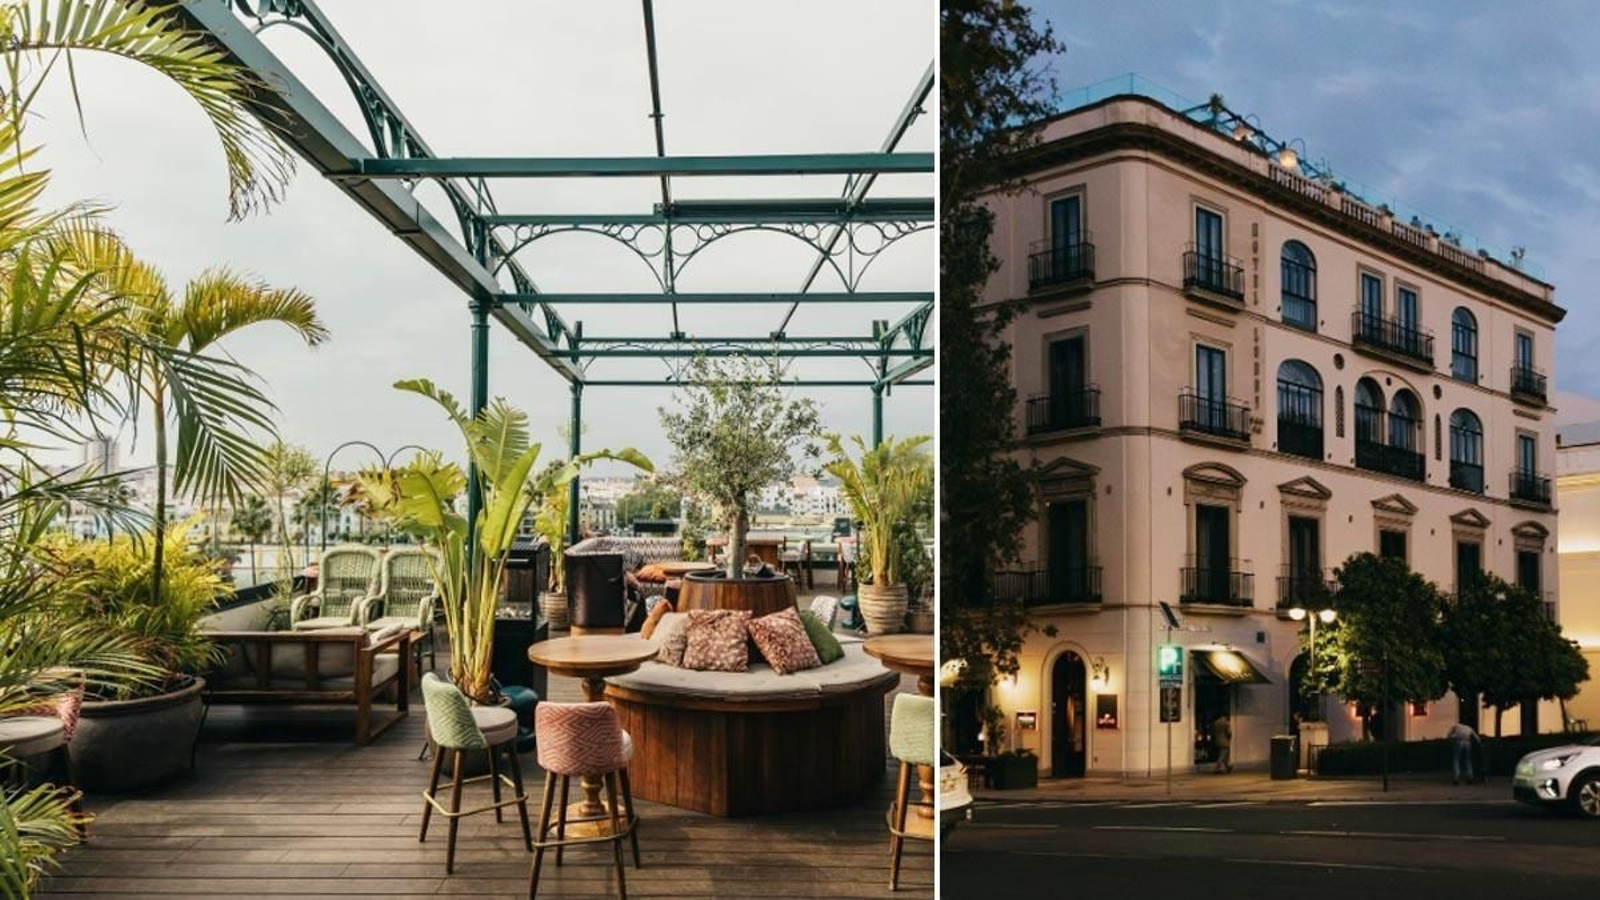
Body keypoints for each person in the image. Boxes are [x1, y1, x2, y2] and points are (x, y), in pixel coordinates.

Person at [1448, 721, 1481, 785]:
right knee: (1468, 760)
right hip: (1467, 742)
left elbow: (1449, 734)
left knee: (1456, 759)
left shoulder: (1456, 725)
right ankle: (1470, 777)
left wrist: (1450, 737)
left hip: (1459, 741)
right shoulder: (1469, 728)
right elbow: (1476, 737)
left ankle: (1456, 778)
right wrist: (1479, 742)